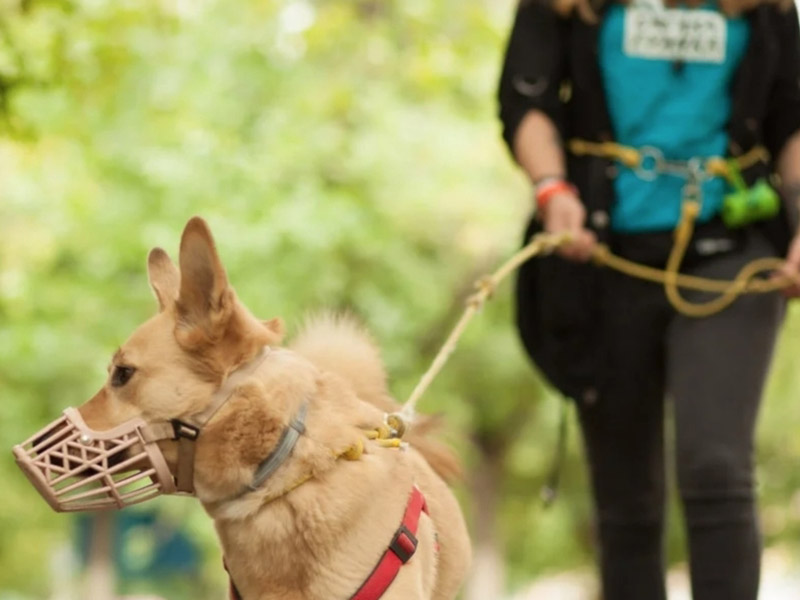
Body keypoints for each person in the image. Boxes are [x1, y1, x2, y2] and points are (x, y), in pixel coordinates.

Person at [498, 1, 800, 599]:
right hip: (602, 254)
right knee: (626, 498)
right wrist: (552, 189)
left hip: (730, 251)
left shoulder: (766, 8)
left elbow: (792, 122)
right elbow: (524, 102)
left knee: (716, 469)